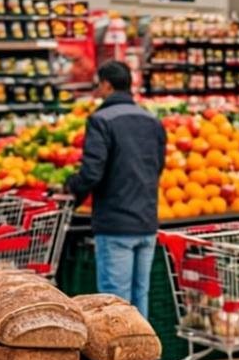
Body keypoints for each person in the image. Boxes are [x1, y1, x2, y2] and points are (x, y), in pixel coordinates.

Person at [66, 60, 166, 318]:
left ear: (107, 85)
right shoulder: (152, 121)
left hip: (115, 223)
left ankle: (121, 357)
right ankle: (141, 355)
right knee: (139, 298)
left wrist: (71, 190)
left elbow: (92, 172)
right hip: (146, 221)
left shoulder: (101, 120)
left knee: (114, 302)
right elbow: (158, 166)